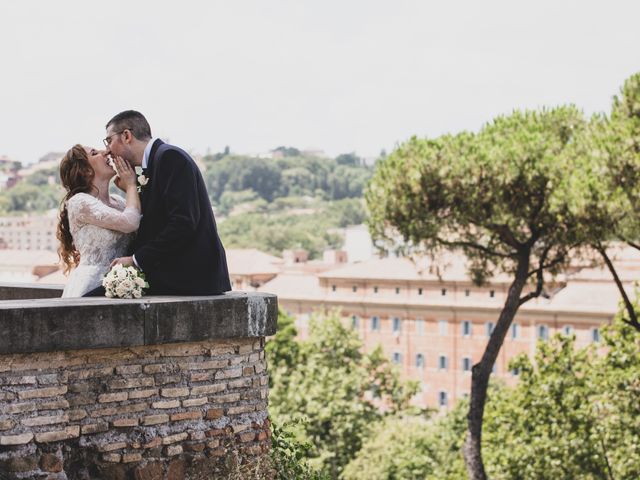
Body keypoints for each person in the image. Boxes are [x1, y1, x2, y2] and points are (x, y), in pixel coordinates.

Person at [105, 110, 231, 295]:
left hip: (191, 276)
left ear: (126, 135)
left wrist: (136, 260)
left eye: (109, 141)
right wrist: (133, 190)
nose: (108, 150)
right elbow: (159, 216)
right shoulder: (155, 162)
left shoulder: (170, 157)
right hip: (177, 275)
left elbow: (183, 223)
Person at [57, 145, 141, 297]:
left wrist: (129, 192)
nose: (106, 152)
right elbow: (130, 223)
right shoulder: (80, 202)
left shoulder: (120, 202)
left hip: (122, 285)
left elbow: (140, 223)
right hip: (91, 285)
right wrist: (131, 185)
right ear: (86, 170)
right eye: (95, 153)